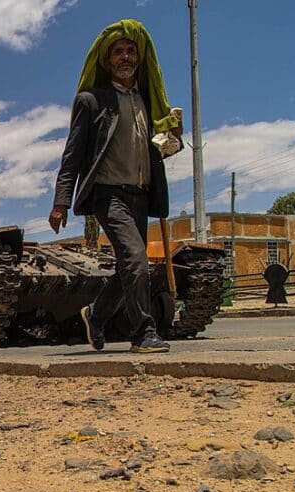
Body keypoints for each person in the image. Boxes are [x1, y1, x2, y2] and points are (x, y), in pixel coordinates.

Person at [49, 19, 183, 354]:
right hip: (108, 195)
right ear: (108, 61)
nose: (125, 57)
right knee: (136, 259)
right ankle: (143, 333)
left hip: (140, 194)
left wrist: (174, 138)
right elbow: (73, 155)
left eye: (130, 51)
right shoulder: (91, 101)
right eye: (118, 52)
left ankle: (95, 316)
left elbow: (160, 151)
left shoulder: (149, 103)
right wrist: (61, 201)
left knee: (129, 266)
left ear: (139, 58)